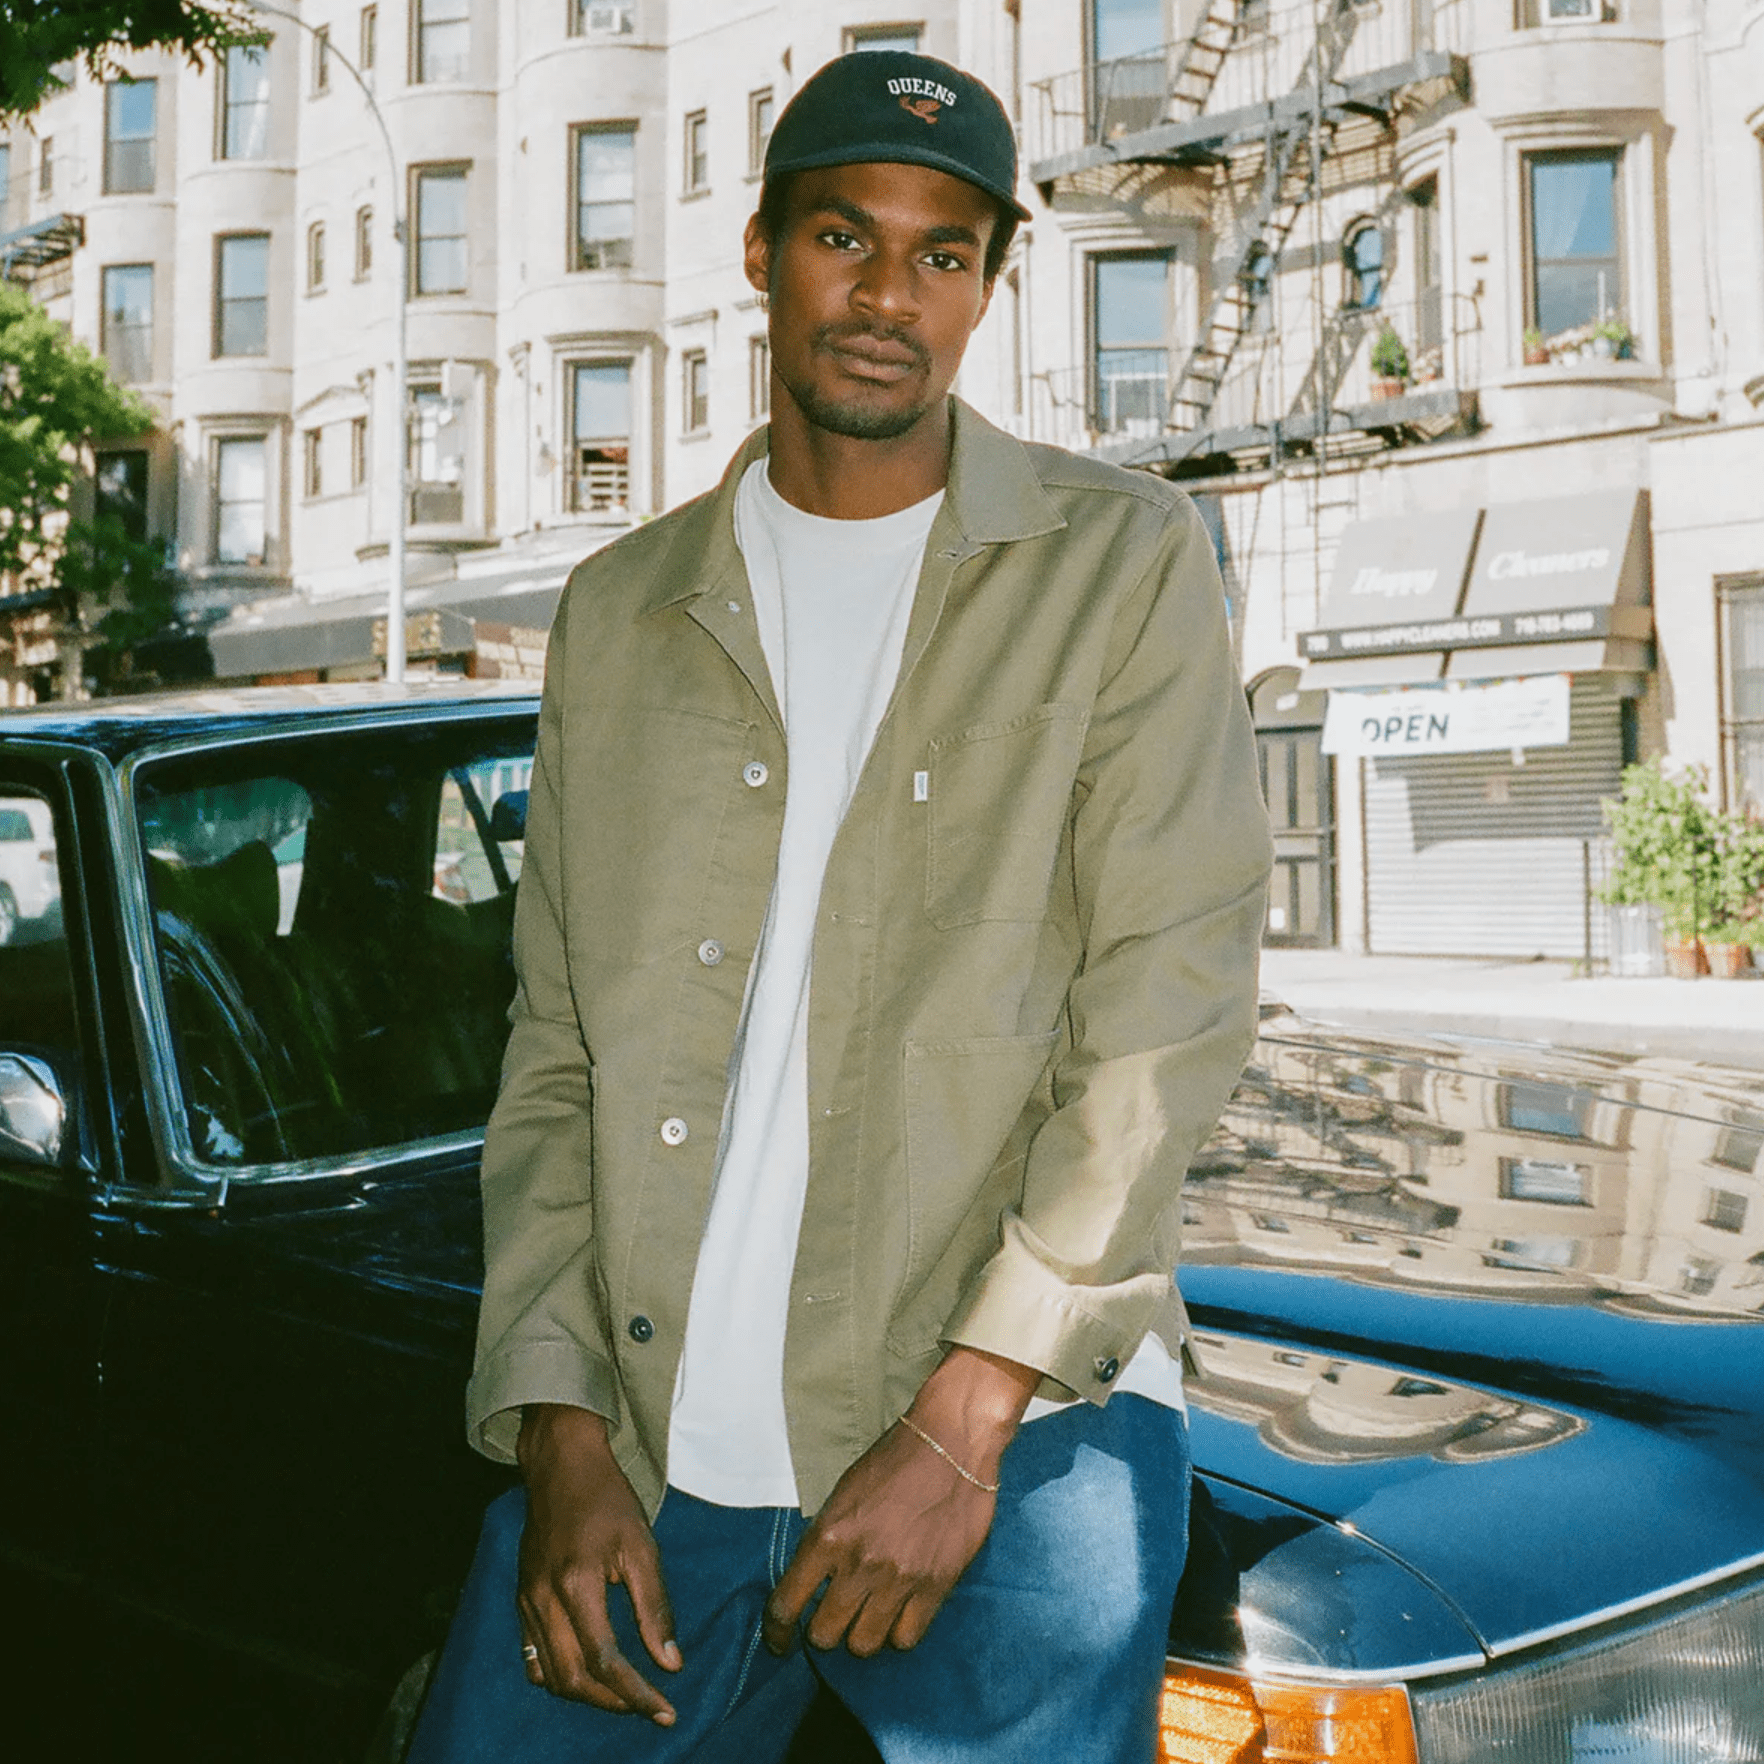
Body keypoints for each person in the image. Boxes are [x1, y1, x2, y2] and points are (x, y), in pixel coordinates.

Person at [409, 48, 1271, 1764]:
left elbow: (1162, 1018)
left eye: (945, 254)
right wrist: (563, 1434)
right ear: (758, 254)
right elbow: (559, 1056)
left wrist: (965, 1425)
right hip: (656, 1450)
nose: (892, 296)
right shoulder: (618, 611)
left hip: (1015, 1447)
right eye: (843, 239)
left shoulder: (1123, 562)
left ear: (987, 286)